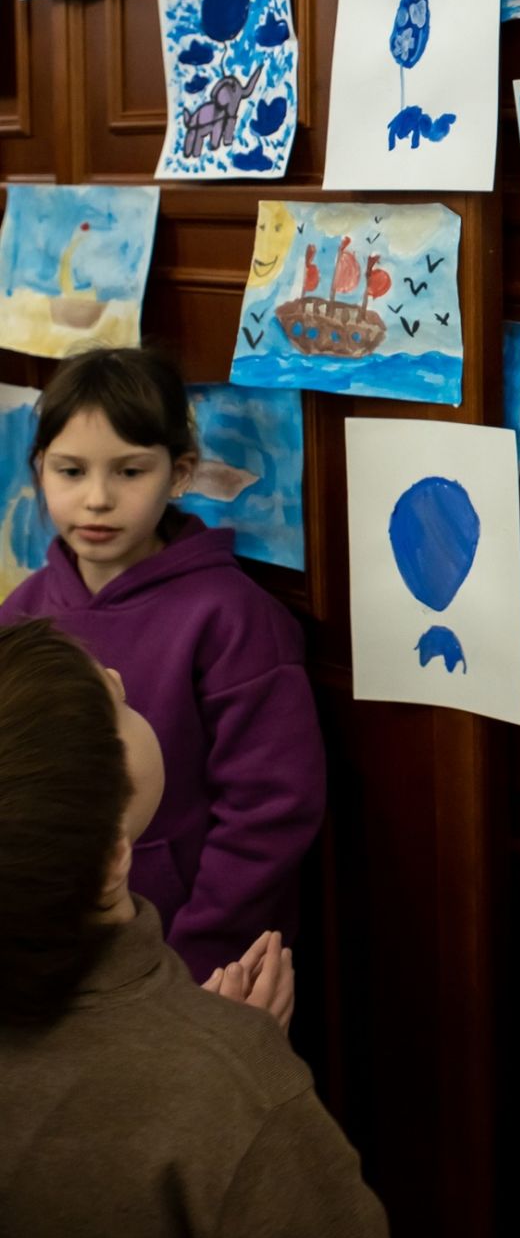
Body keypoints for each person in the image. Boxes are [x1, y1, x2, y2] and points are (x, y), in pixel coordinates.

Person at [0, 617, 390, 1238]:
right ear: (110, 860)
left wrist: (192, 1045)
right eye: (113, 710)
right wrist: (224, 1067)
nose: (116, 676)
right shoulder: (237, 1088)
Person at [0, 346, 325, 981]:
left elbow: (271, 809)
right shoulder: (21, 615)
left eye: (129, 471)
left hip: (194, 963)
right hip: (50, 964)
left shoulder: (232, 617)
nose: (97, 499)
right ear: (40, 469)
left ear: (179, 474)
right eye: (71, 471)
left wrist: (198, 957)